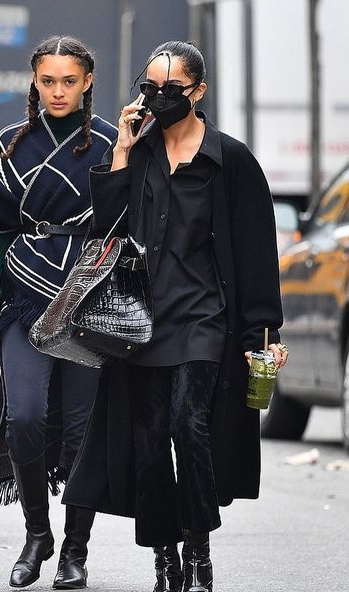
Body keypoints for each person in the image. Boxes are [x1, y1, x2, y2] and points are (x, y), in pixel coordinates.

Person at [62, 41, 289, 592]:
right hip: (141, 322)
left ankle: (199, 547)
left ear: (198, 92)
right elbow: (105, 235)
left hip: (204, 319)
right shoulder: (138, 155)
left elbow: (257, 249)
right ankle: (165, 557)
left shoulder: (229, 160)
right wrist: (119, 151)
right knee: (148, 439)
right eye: (149, 88)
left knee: (191, 426)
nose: (158, 98)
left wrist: (264, 332)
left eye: (171, 90)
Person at [0, 36, 117, 589]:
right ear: (34, 81)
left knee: (81, 430)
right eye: (47, 81)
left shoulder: (112, 142)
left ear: (87, 82)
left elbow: (133, 222)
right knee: (25, 416)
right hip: (24, 294)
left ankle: (75, 550)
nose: (57, 91)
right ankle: (36, 535)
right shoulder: (9, 144)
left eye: (68, 81)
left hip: (89, 297)